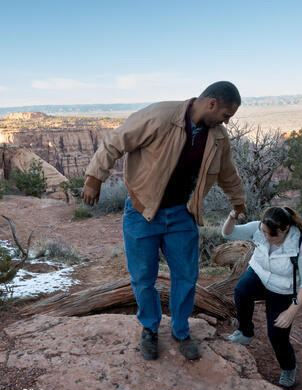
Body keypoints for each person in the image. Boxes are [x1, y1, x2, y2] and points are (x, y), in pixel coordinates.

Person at [81, 81, 246, 361]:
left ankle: (181, 330)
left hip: (182, 213)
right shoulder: (160, 116)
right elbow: (115, 141)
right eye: (226, 115)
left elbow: (227, 172)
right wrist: (94, 178)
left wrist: (237, 199)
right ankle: (150, 327)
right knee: (143, 277)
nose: (226, 122)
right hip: (142, 210)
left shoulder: (217, 137)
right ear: (212, 104)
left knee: (187, 276)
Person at [221, 206, 302, 387]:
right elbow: (228, 233)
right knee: (241, 291)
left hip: (283, 288)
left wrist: (292, 310)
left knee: (277, 335)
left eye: (272, 235)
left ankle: (288, 367)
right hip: (259, 273)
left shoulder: (301, 245)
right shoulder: (259, 228)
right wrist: (232, 216)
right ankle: (245, 332)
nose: (266, 238)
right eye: (264, 232)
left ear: (285, 228)